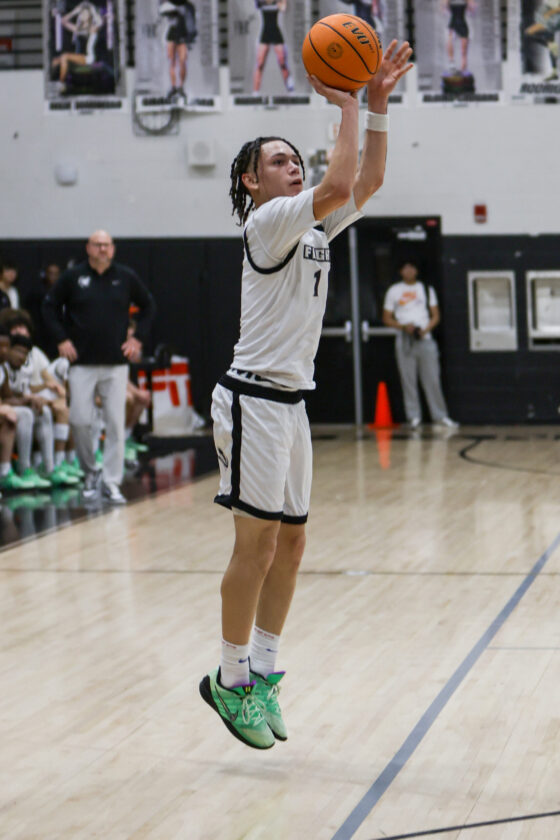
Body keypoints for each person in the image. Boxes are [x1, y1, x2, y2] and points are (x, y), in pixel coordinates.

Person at [199, 41, 413, 750]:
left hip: (290, 404)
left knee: (291, 546)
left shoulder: (315, 222)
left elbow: (367, 178)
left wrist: (375, 106)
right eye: (278, 161)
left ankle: (263, 672)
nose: (292, 166)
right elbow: (340, 176)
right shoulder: (267, 222)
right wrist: (346, 101)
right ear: (251, 182)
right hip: (252, 399)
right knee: (256, 546)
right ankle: (229, 680)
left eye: (296, 158)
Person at [42, 230, 156, 504]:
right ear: (88, 248)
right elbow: (49, 306)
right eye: (97, 244)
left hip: (116, 364)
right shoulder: (73, 277)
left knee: (115, 424)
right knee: (79, 421)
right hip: (81, 363)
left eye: (107, 244)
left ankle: (111, 482)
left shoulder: (125, 277)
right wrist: (61, 339)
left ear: (113, 249)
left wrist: (137, 339)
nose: (103, 249)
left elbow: (149, 306)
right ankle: (91, 472)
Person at [382, 261, 457, 430]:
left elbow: (435, 315)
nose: (409, 271)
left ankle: (440, 415)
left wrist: (425, 329)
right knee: (408, 379)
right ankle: (413, 417)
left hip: (425, 338)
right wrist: (404, 327)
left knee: (432, 378)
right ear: (401, 271)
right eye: (405, 268)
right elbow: (386, 318)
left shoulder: (426, 289)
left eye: (412, 267)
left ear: (416, 270)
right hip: (404, 339)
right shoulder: (394, 291)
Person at [51, 1, 103, 87]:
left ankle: (61, 83)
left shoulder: (93, 28)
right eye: (82, 13)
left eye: (85, 13)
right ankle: (52, 82)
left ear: (89, 16)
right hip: (80, 57)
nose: (83, 15)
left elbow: (100, 22)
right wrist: (75, 11)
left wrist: (92, 10)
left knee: (64, 56)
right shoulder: (78, 29)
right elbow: (63, 21)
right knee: (55, 61)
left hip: (88, 58)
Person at [253, 0, 294, 93]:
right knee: (259, 64)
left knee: (283, 63)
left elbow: (283, 8)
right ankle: (255, 92)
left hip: (276, 33)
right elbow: (256, 5)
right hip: (265, 33)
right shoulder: (261, 2)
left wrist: (280, 2)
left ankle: (291, 90)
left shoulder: (278, 1)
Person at [159, 0, 197, 100]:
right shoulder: (168, 4)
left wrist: (191, 37)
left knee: (182, 61)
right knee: (171, 61)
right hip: (171, 35)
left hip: (183, 35)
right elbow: (162, 14)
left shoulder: (188, 6)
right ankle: (173, 86)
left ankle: (180, 87)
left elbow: (192, 22)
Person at [24, 263, 61, 359]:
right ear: (45, 274)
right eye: (51, 273)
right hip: (39, 334)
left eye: (56, 274)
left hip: (56, 335)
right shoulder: (36, 292)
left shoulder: (63, 292)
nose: (53, 277)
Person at [525, 0, 560, 82]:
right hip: (549, 21)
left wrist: (550, 12)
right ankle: (549, 44)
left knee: (552, 45)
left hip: (553, 22)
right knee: (528, 32)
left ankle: (554, 72)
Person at [443, 0, 476, 76]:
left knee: (464, 50)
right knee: (449, 41)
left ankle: (463, 68)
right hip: (453, 23)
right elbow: (443, 9)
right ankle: (451, 63)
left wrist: (470, 5)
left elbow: (473, 11)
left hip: (463, 24)